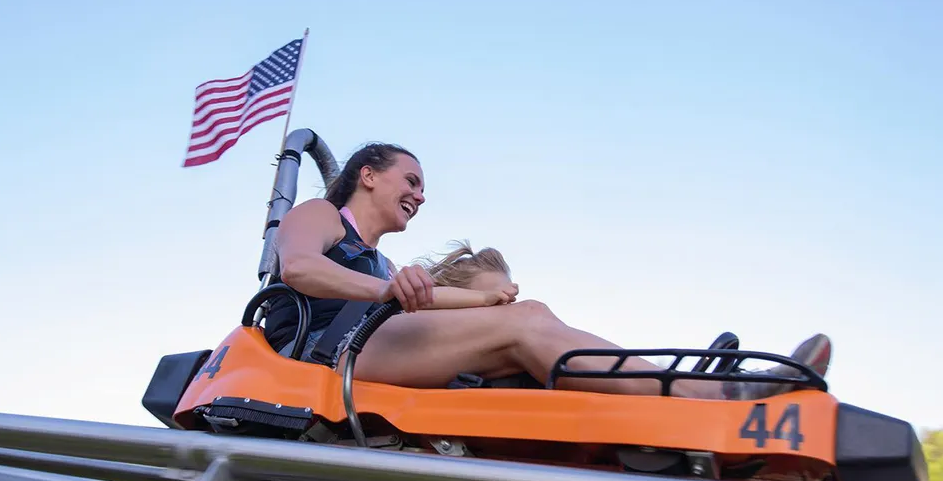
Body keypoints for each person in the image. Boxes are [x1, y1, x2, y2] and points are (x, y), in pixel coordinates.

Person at [264, 142, 832, 400]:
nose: (419, 194)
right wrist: (388, 289)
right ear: (368, 175)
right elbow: (300, 267)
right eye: (410, 181)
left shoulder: (386, 264)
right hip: (322, 357)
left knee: (525, 317)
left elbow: (428, 303)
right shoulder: (321, 215)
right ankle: (700, 395)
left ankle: (657, 399)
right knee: (524, 323)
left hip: (367, 343)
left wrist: (489, 305)